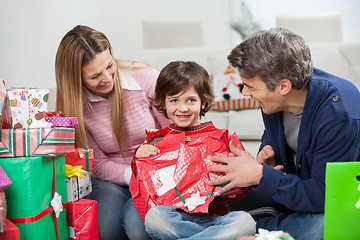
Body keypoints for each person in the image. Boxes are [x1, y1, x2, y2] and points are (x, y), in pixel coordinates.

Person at [207, 28, 360, 240]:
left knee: (326, 225)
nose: (245, 93)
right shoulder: (272, 100)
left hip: (326, 199)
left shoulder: (338, 115)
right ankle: (248, 226)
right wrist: (266, 157)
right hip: (292, 191)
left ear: (283, 86)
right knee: (220, 195)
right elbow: (271, 136)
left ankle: (252, 227)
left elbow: (325, 196)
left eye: (250, 86)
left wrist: (260, 175)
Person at [55, 25, 171, 240]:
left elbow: (173, 132)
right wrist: (131, 174)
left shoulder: (144, 78)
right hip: (111, 179)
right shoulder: (76, 107)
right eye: (95, 76)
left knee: (139, 227)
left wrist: (148, 171)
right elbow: (96, 163)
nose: (107, 78)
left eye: (110, 66)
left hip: (154, 173)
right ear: (77, 79)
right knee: (104, 229)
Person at [131, 61, 256, 240]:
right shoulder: (156, 142)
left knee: (245, 221)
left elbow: (242, 189)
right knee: (154, 218)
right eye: (174, 100)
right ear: (163, 104)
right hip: (177, 218)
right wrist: (138, 156)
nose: (183, 108)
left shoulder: (222, 139)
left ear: (203, 102)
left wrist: (239, 182)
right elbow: (143, 188)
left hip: (216, 218)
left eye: (191, 100)